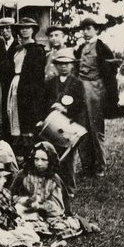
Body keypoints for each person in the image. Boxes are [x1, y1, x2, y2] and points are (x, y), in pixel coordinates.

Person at [12, 142, 90, 238]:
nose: (39, 163)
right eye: (36, 159)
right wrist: (23, 200)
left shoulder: (53, 179)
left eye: (44, 160)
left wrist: (42, 206)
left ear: (50, 161)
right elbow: (12, 194)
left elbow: (59, 206)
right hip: (27, 210)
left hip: (48, 214)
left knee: (61, 225)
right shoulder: (24, 174)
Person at [74, 17, 118, 177]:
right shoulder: (80, 48)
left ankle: (100, 166)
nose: (85, 32)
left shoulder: (102, 48)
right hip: (81, 90)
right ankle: (87, 166)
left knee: (96, 129)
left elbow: (111, 72)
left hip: (96, 91)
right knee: (82, 128)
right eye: (83, 29)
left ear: (97, 30)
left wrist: (109, 96)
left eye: (89, 29)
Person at [43, 48, 89, 193]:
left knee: (68, 159)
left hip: (70, 125)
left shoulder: (77, 83)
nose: (63, 66)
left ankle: (69, 188)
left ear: (72, 66)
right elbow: (44, 102)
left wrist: (66, 109)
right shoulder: (50, 83)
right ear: (55, 65)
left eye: (67, 64)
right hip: (53, 125)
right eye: (60, 64)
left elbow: (81, 104)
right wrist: (51, 108)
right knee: (52, 155)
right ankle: (53, 186)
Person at [4, 17, 47, 156]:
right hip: (15, 85)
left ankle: (29, 152)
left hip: (29, 88)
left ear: (33, 30)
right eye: (22, 28)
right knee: (14, 115)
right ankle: (17, 151)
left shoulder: (37, 50)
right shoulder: (16, 50)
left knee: (27, 118)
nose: (24, 30)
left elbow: (38, 75)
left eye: (28, 27)